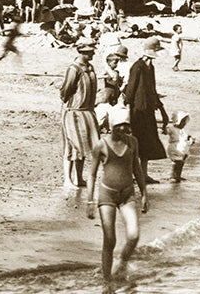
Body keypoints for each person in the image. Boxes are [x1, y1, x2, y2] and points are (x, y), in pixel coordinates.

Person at [86, 107, 148, 288]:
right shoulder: (101, 145)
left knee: (134, 234)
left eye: (126, 126)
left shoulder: (133, 142)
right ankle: (107, 282)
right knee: (110, 238)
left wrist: (144, 193)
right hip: (107, 194)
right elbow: (91, 174)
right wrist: (90, 201)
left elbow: (137, 168)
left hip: (128, 193)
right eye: (119, 126)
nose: (122, 130)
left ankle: (121, 262)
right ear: (112, 125)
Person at [122, 38, 168, 184]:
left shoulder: (149, 67)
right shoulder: (138, 67)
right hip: (138, 111)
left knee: (146, 143)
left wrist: (160, 106)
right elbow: (131, 88)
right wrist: (127, 105)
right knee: (137, 143)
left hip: (147, 110)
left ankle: (143, 174)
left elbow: (152, 89)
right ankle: (134, 174)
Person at [61, 45, 100, 189]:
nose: (93, 53)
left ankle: (79, 178)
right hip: (74, 111)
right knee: (71, 146)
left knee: (83, 145)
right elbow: (66, 90)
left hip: (87, 111)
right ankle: (67, 180)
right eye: (91, 52)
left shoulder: (90, 67)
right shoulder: (74, 68)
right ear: (83, 52)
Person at [164, 111, 194, 183]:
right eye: (182, 122)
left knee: (181, 162)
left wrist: (190, 139)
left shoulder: (182, 130)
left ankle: (178, 175)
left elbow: (186, 137)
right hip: (174, 148)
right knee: (176, 162)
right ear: (178, 121)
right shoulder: (172, 128)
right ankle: (173, 175)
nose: (184, 124)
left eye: (184, 122)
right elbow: (166, 131)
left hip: (182, 149)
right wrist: (164, 129)